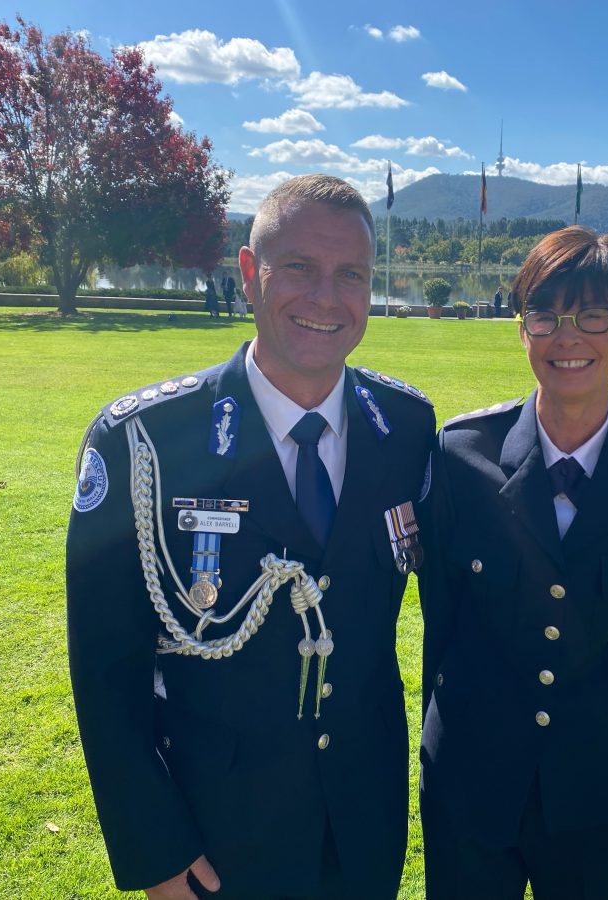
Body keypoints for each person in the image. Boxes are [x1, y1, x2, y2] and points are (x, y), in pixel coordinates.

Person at [67, 175, 436, 900]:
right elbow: (105, 673)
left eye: (351, 274)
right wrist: (154, 849)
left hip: (364, 822)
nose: (326, 297)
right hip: (217, 832)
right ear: (247, 274)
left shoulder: (406, 427)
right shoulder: (143, 440)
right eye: (298, 266)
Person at [418, 226, 608, 900]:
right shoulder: (461, 455)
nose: (567, 338)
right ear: (522, 329)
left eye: (591, 316)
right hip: (472, 774)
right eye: (545, 316)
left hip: (600, 784)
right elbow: (442, 615)